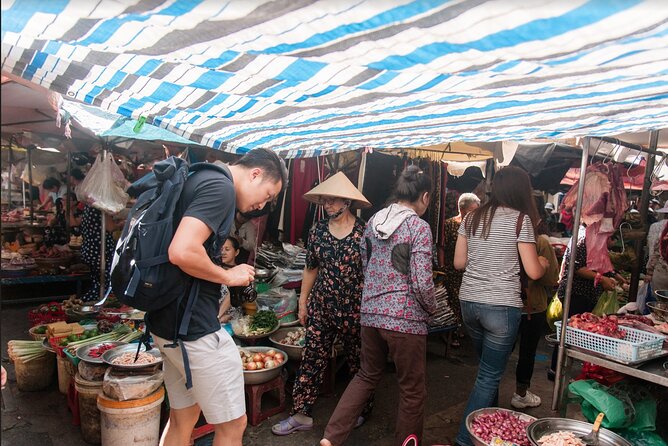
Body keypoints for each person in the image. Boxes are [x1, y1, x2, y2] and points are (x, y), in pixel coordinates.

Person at [149, 148, 287, 446]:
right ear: (255, 174)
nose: (262, 205)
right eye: (266, 194)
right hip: (193, 327)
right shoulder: (220, 187)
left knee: (183, 418)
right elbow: (182, 251)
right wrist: (229, 275)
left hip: (167, 321)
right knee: (233, 423)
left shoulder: (198, 175)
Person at [320, 166, 436, 446]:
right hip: (405, 320)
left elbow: (366, 265)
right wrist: (431, 308)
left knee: (365, 375)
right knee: (411, 390)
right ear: (425, 196)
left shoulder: (372, 223)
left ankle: (331, 438)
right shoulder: (418, 227)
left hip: (370, 316)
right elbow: (422, 282)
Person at [453, 166, 549, 446]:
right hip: (501, 308)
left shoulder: (471, 218)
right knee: (488, 376)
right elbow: (533, 272)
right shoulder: (521, 220)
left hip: (469, 302)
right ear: (521, 190)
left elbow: (459, 263)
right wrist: (542, 263)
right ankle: (464, 439)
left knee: (486, 371)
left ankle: (489, 431)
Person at [272, 172, 372, 436]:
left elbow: (373, 272)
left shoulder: (364, 233)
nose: (327, 205)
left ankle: (359, 411)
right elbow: (310, 268)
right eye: (324, 201)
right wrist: (303, 302)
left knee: (357, 362)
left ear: (347, 202)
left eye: (332, 200)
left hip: (355, 309)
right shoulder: (317, 231)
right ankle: (301, 414)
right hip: (322, 306)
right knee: (312, 359)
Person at [547, 228, 628, 380]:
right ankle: (555, 370)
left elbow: (598, 264)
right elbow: (577, 268)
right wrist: (602, 279)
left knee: (578, 332)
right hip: (576, 293)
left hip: (587, 295)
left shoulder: (596, 239)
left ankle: (565, 370)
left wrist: (616, 276)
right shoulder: (584, 239)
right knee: (568, 332)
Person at [511, 196, 559, 409]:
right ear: (537, 217)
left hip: (507, 302)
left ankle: (490, 390)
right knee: (527, 352)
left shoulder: (506, 236)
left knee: (501, 350)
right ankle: (520, 394)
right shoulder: (540, 242)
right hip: (532, 306)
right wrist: (544, 266)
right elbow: (551, 280)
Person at [437, 193, 480, 347]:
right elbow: (441, 246)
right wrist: (442, 268)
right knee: (454, 301)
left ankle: (459, 328)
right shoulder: (449, 224)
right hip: (451, 270)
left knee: (465, 302)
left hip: (470, 271)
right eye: (472, 210)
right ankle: (451, 334)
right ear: (462, 209)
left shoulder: (476, 226)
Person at [80, 205, 122, 302]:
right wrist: (121, 224)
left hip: (90, 249)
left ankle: (88, 303)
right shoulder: (101, 208)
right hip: (99, 251)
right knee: (103, 285)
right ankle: (90, 304)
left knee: (98, 283)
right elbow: (110, 227)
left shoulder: (89, 207)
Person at [217, 236, 244, 324]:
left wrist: (217, 317)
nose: (223, 252)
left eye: (227, 249)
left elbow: (230, 297)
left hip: (232, 318)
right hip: (214, 316)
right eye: (221, 249)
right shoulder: (215, 270)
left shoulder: (241, 272)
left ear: (236, 252)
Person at [646, 202, 668, 292]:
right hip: (662, 273)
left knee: (660, 302)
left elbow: (655, 250)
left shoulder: (663, 230)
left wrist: (649, 272)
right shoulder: (665, 231)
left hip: (661, 272)